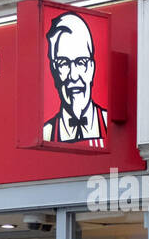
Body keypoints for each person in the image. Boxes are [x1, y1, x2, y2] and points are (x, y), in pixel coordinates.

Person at [42, 11, 109, 147]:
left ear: (91, 68)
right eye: (64, 63)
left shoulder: (109, 124)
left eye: (80, 62)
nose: (73, 75)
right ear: (54, 70)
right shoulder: (45, 134)